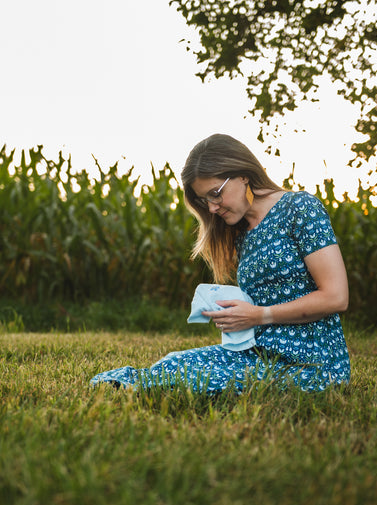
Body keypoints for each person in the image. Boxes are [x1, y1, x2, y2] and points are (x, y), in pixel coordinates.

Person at [90, 133, 350, 394]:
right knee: (173, 363)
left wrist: (259, 315)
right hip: (258, 353)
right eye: (205, 200)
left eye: (216, 194)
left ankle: (136, 388)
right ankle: (126, 385)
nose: (212, 208)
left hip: (311, 362)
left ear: (243, 175)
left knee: (194, 382)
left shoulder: (300, 208)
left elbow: (336, 297)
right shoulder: (243, 231)